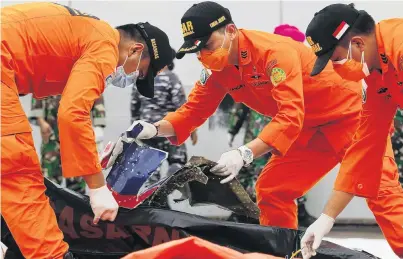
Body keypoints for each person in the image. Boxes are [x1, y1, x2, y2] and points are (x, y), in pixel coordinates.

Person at [105, 0, 396, 248]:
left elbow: (290, 114)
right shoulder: (217, 68)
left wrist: (244, 154)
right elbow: (192, 112)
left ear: (230, 31)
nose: (205, 55)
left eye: (208, 45)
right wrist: (152, 129)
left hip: (350, 117)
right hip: (309, 131)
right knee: (272, 188)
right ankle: (281, 252)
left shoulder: (273, 52)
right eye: (198, 51)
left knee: (380, 192)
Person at [1, 2, 174, 258]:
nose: (131, 80)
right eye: (140, 73)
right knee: (17, 170)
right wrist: (97, 186)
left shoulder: (84, 32)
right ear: (135, 50)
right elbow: (72, 113)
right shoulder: (104, 44)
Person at [301, 3, 403, 258]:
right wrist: (327, 218)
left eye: (336, 59)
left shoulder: (399, 48)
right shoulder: (378, 75)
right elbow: (364, 150)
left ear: (357, 44)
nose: (336, 68)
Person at [227, 24, 305, 202]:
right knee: (254, 169)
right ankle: (248, 211)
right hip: (262, 133)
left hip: (283, 132)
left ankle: (293, 209)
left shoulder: (294, 68)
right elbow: (241, 101)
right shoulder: (263, 62)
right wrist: (233, 129)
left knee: (288, 172)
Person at [131, 49, 198, 182]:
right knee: (178, 163)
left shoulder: (141, 79)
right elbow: (182, 107)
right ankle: (171, 182)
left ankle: (152, 197)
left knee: (149, 171)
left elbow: (134, 108)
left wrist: (134, 133)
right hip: (169, 130)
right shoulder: (172, 78)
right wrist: (192, 130)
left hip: (146, 130)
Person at [29, 95, 107, 194]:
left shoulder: (81, 79)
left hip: (77, 137)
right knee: (48, 182)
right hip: (52, 135)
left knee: (76, 185)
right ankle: (49, 207)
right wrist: (41, 122)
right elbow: (37, 90)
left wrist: (98, 127)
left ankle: (76, 208)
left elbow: (95, 93)